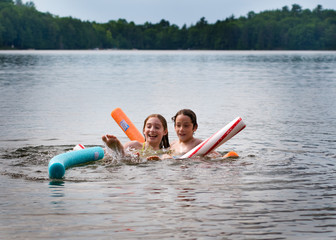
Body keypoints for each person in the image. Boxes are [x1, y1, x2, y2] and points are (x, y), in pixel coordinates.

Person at [102, 114, 170, 161]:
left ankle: (118, 152)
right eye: (149, 127)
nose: (152, 130)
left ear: (165, 131)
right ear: (144, 130)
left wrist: (160, 160)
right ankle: (117, 150)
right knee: (126, 156)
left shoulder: (166, 152)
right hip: (127, 163)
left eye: (157, 127)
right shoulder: (133, 145)